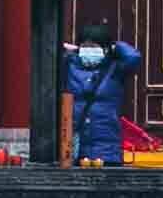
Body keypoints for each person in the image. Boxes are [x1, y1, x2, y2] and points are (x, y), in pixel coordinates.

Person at [59, 30, 145, 167]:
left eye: (93, 47)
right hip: (76, 144)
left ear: (105, 50)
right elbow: (48, 52)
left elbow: (133, 57)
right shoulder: (70, 66)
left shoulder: (115, 68)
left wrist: (115, 45)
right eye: (85, 47)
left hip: (107, 145)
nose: (89, 51)